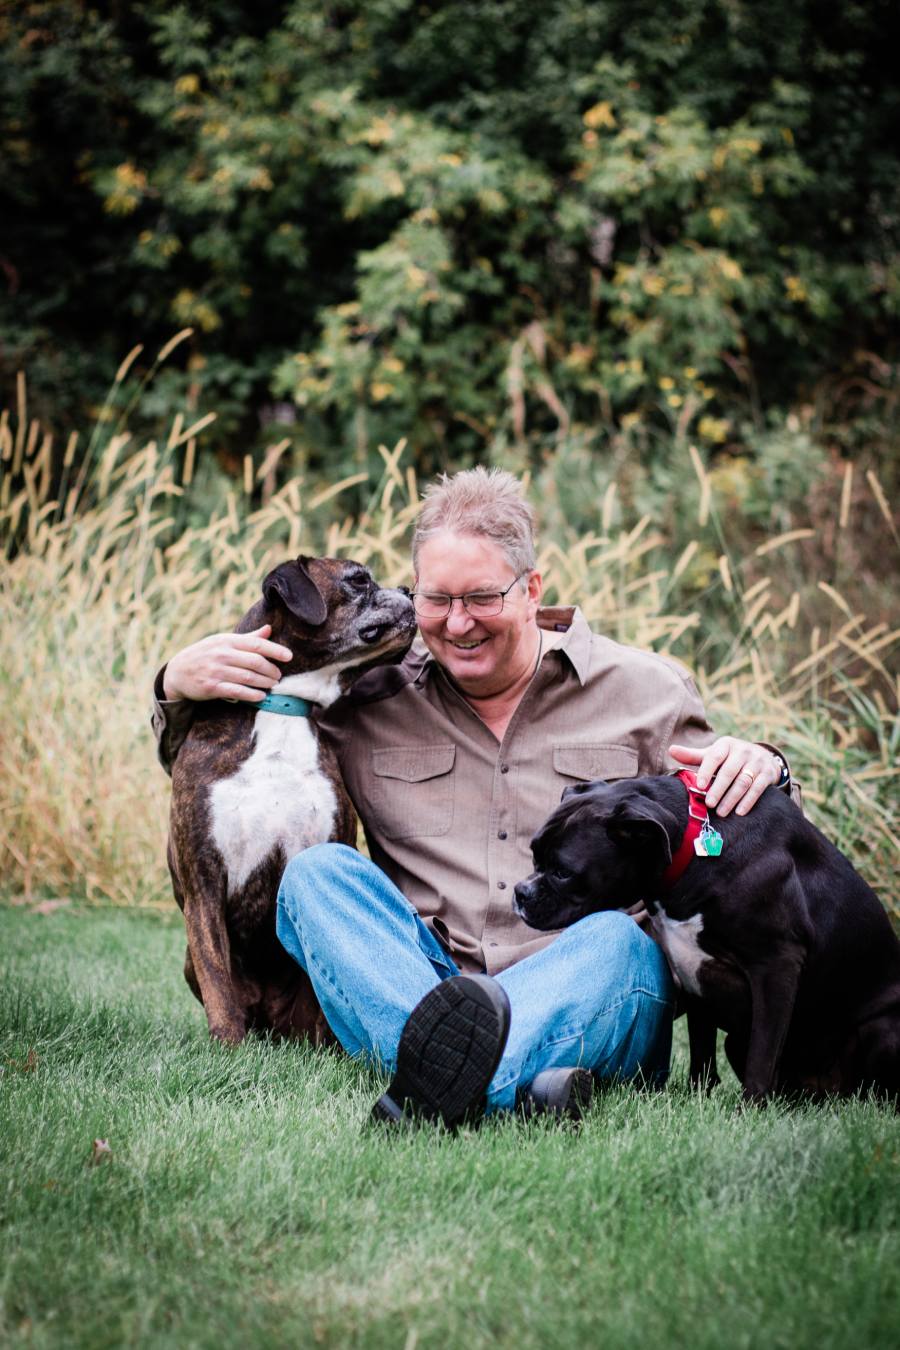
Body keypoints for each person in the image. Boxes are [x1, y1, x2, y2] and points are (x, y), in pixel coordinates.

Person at [153, 468, 790, 1126]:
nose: (458, 624)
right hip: (418, 979)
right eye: (436, 600)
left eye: (481, 597)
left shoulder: (647, 689)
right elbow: (219, 763)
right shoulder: (368, 693)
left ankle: (433, 1084)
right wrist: (176, 682)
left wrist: (766, 764)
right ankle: (508, 1085)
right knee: (316, 875)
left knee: (619, 943)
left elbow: (722, 824)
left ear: (532, 588)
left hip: (582, 976)